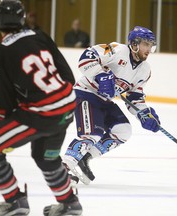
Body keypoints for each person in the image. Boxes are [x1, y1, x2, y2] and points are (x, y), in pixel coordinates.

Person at [0, 0, 82, 215]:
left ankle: (15, 201)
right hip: (67, 107)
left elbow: (3, 110)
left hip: (41, 114)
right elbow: (67, 76)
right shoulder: (40, 36)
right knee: (46, 157)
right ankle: (70, 203)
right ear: (22, 19)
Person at [62, 26, 161, 185]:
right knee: (91, 134)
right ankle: (65, 168)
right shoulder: (117, 50)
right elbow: (86, 57)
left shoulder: (145, 70)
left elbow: (134, 98)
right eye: (145, 44)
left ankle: (86, 157)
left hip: (105, 100)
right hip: (85, 93)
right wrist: (100, 74)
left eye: (151, 45)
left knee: (123, 130)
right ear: (134, 44)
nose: (149, 49)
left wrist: (144, 114)